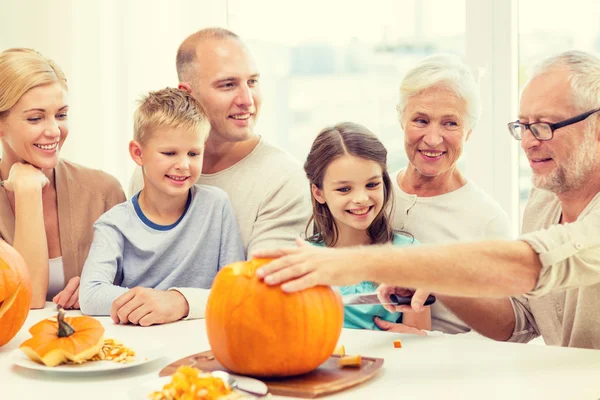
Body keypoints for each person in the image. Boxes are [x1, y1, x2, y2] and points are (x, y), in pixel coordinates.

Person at [253, 50, 600, 350]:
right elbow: (520, 322)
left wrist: (359, 264)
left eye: (545, 125)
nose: (527, 141)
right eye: (523, 126)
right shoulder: (542, 201)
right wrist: (436, 281)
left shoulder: (493, 217)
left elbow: (530, 265)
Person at [128, 28, 311, 257]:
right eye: (228, 85)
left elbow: (264, 284)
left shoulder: (285, 179)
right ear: (188, 93)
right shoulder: (151, 172)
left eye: (252, 82)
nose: (247, 100)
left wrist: (178, 295)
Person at [79, 88, 245, 326]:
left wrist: (176, 301)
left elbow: (237, 291)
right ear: (138, 153)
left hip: (202, 338)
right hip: (140, 339)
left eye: (193, 153)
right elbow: (91, 294)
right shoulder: (113, 223)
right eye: (169, 153)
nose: (183, 165)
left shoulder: (216, 206)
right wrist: (152, 302)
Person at [390, 54, 511, 334]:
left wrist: (426, 340)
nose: (433, 139)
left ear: (469, 131)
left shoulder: (487, 221)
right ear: (401, 120)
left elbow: (507, 332)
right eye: (420, 120)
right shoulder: (371, 195)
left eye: (450, 123)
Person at [0, 48, 125, 309]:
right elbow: (24, 301)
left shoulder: (104, 193)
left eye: (61, 115)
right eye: (35, 118)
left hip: (96, 345)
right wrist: (28, 193)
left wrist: (100, 291)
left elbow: (138, 283)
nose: (54, 131)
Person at [303, 122, 429, 332]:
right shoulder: (304, 259)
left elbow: (418, 335)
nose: (361, 199)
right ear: (319, 193)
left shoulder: (409, 253)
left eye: (372, 185)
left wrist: (414, 337)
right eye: (344, 189)